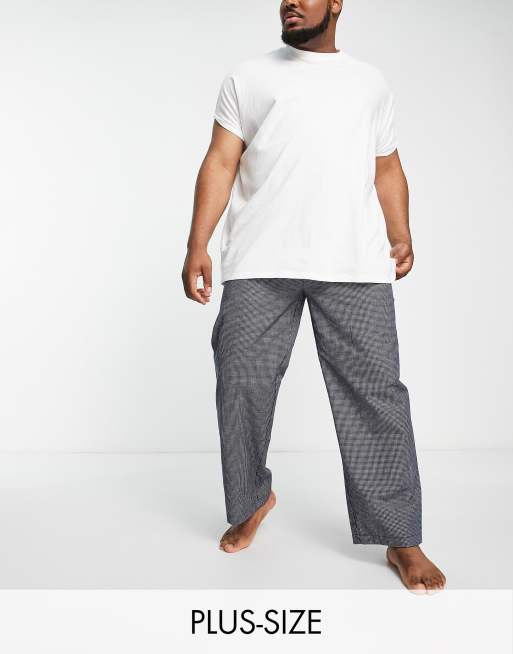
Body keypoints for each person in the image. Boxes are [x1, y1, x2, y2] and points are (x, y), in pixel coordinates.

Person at [182, 0, 446, 594]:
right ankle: (251, 499)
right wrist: (198, 243)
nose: (291, 1)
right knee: (241, 381)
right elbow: (221, 160)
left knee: (376, 396)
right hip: (259, 259)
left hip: (353, 262)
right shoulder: (249, 76)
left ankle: (400, 536)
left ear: (337, 4)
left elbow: (386, 166)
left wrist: (400, 231)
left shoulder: (368, 83)